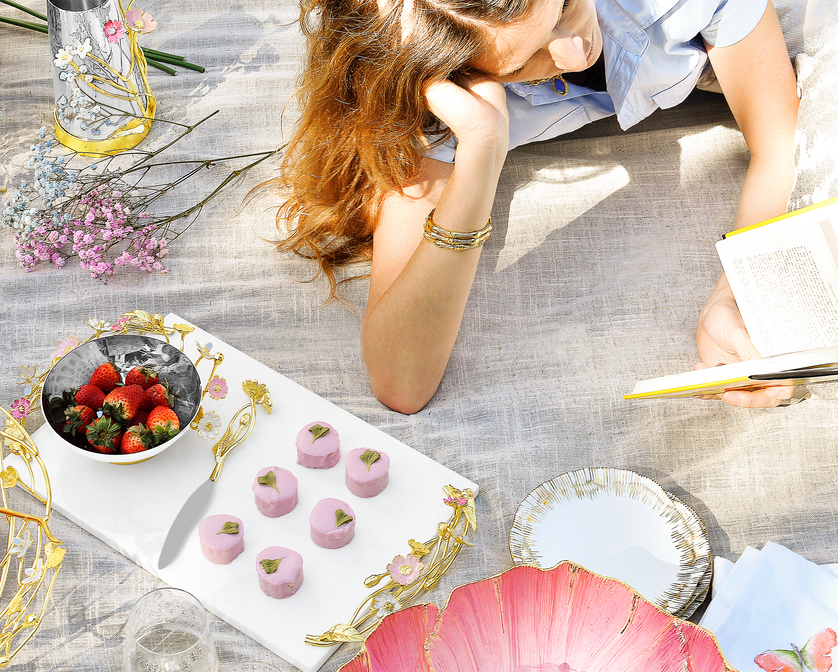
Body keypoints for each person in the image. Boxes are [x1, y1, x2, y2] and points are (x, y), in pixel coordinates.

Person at [276, 0, 801, 414]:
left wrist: (738, 292)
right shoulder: (441, 70)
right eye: (527, 61)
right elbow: (402, 381)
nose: (576, 50)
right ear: (457, 78)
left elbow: (781, 144)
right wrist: (482, 152)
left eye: (565, 6)